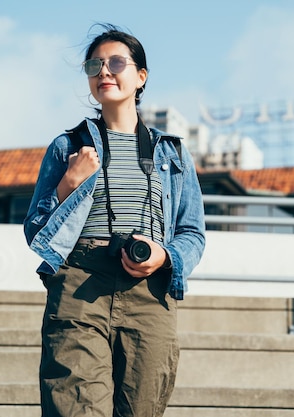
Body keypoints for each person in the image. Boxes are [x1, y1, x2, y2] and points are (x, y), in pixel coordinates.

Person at [23, 23, 206, 417]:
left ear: (140, 77)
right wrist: (67, 186)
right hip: (79, 283)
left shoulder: (171, 153)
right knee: (74, 407)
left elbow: (193, 232)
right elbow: (35, 231)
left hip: (149, 291)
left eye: (116, 62)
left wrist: (165, 256)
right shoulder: (69, 146)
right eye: (94, 65)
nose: (104, 72)